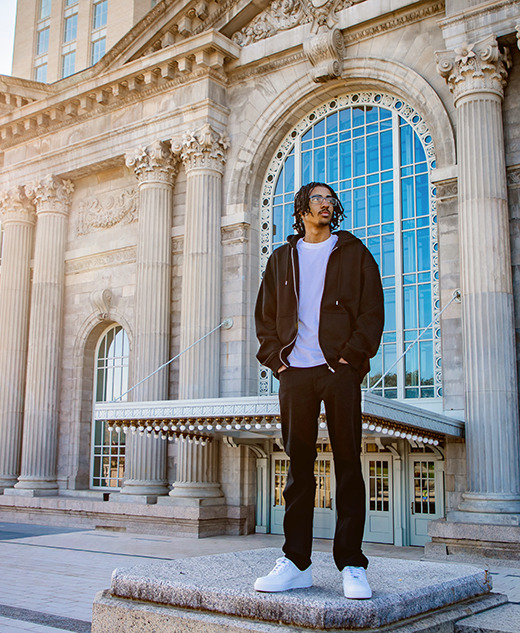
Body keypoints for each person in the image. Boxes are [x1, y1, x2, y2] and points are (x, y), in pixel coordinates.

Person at [254, 182, 384, 599]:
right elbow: (266, 315)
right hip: (296, 372)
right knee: (299, 465)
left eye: (331, 200)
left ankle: (351, 563)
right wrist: (277, 361)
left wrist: (352, 357)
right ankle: (296, 562)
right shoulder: (280, 259)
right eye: (318, 199)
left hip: (338, 370)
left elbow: (371, 310)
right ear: (301, 209)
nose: (326, 205)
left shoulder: (354, 252)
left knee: (348, 461)